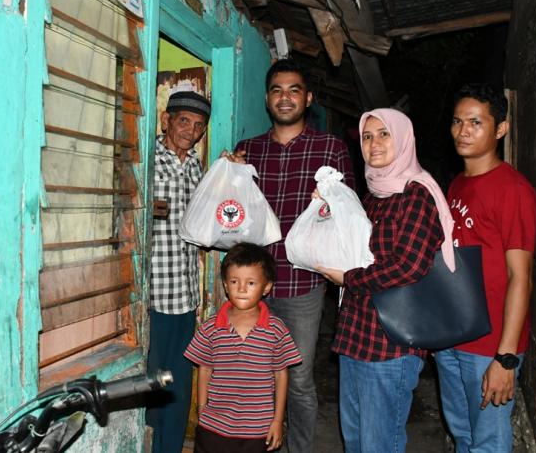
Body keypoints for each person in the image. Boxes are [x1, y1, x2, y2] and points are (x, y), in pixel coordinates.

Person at [229, 58, 355, 452]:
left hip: (303, 285)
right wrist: (227, 172)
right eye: (277, 90)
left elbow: (350, 213)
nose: (285, 98)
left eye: (294, 90)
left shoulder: (330, 148)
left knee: (297, 377)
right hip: (251, 285)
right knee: (254, 375)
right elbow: (231, 211)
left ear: (309, 98)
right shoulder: (247, 150)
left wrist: (332, 201)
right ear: (267, 99)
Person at [318, 108, 456, 453]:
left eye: (384, 134)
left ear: (404, 139)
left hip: (390, 345)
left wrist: (348, 278)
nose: (374, 143)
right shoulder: (373, 196)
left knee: (379, 444)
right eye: (367, 137)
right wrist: (327, 210)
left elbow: (409, 266)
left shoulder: (416, 194)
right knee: (355, 439)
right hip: (355, 337)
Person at [434, 84, 536, 453]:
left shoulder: (513, 190)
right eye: (458, 122)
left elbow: (520, 276)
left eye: (476, 123)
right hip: (452, 336)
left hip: (489, 345)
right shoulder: (457, 185)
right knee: (463, 437)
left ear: (500, 129)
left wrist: (505, 357)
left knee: (489, 444)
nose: (463, 131)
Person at [184, 242, 302, 453]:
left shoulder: (276, 329)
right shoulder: (211, 327)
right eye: (234, 281)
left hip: (257, 429)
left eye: (251, 283)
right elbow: (205, 369)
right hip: (214, 426)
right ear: (225, 285)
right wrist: (201, 409)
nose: (241, 289)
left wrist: (277, 421)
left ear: (266, 287)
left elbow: (281, 375)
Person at [147, 90, 211, 453]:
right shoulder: (148, 160)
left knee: (178, 388)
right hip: (153, 296)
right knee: (149, 388)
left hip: (185, 297)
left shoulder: (197, 167)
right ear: (166, 120)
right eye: (183, 120)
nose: (190, 130)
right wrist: (144, 208)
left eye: (198, 125)